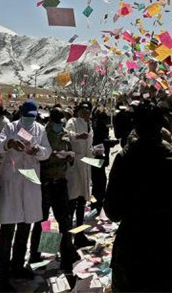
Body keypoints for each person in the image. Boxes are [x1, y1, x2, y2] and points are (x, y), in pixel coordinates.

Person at [105, 101, 172, 292]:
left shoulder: (125, 159)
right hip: (168, 246)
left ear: (136, 126)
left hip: (133, 247)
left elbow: (112, 211)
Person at [0, 100, 52, 291]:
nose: (29, 120)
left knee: (25, 227)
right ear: (20, 114)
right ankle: (2, 275)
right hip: (13, 182)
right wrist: (9, 143)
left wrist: (38, 151)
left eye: (32, 117)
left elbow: (47, 151)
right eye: (26, 116)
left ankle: (17, 266)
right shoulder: (10, 127)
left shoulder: (40, 129)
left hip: (30, 183)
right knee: (8, 230)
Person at [28, 108, 80, 271]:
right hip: (46, 181)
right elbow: (37, 154)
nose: (59, 125)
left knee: (64, 221)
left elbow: (70, 149)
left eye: (61, 122)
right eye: (57, 121)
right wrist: (53, 156)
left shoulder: (64, 133)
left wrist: (69, 155)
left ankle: (66, 255)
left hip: (61, 181)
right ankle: (36, 254)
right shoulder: (42, 133)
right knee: (42, 220)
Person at [66, 102, 95, 248]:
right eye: (84, 111)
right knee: (71, 203)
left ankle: (79, 235)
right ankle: (66, 241)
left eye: (88, 111)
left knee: (82, 202)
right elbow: (68, 136)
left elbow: (88, 145)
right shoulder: (72, 122)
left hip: (84, 165)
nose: (86, 113)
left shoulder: (89, 125)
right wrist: (77, 136)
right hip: (74, 165)